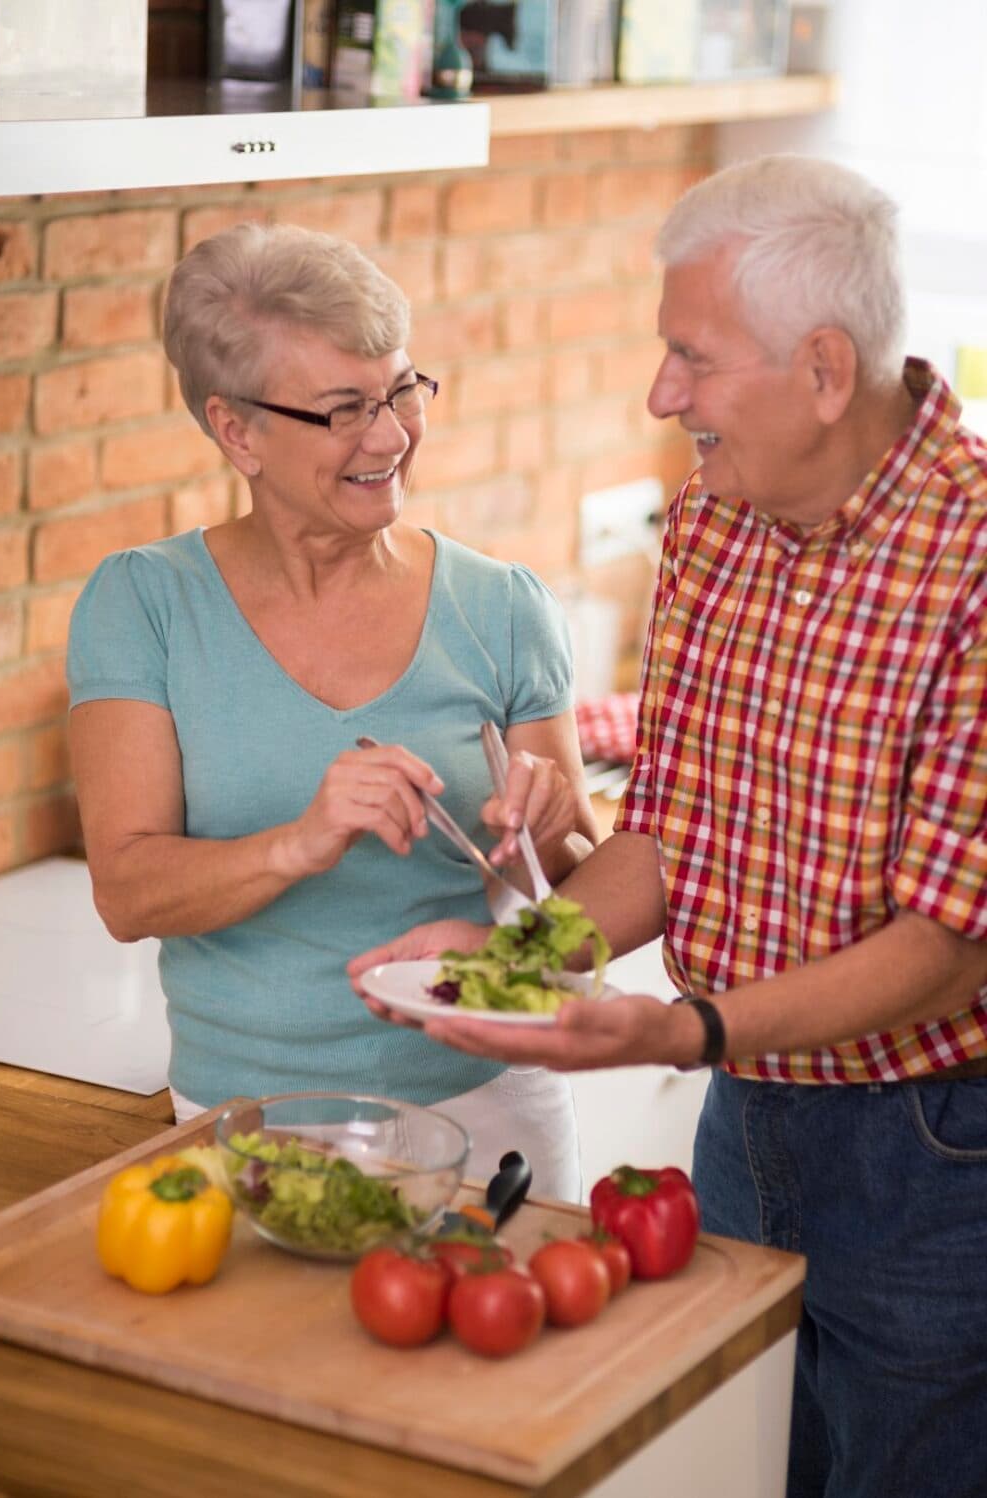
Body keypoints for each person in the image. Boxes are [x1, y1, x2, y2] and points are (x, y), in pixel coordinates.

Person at [351, 156, 987, 1498]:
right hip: (744, 1114)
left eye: (691, 357)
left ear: (824, 369)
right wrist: (515, 963)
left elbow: (943, 949)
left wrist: (679, 1030)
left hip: (935, 1150)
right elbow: (669, 832)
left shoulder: (975, 563)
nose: (660, 394)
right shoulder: (712, 519)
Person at [67, 221, 598, 1200]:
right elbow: (128, 893)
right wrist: (298, 843)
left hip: (489, 1110)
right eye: (343, 409)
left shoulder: (502, 606)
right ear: (237, 431)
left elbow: (580, 892)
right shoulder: (143, 605)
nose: (389, 436)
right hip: (251, 1128)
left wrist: (555, 829)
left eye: (401, 391)